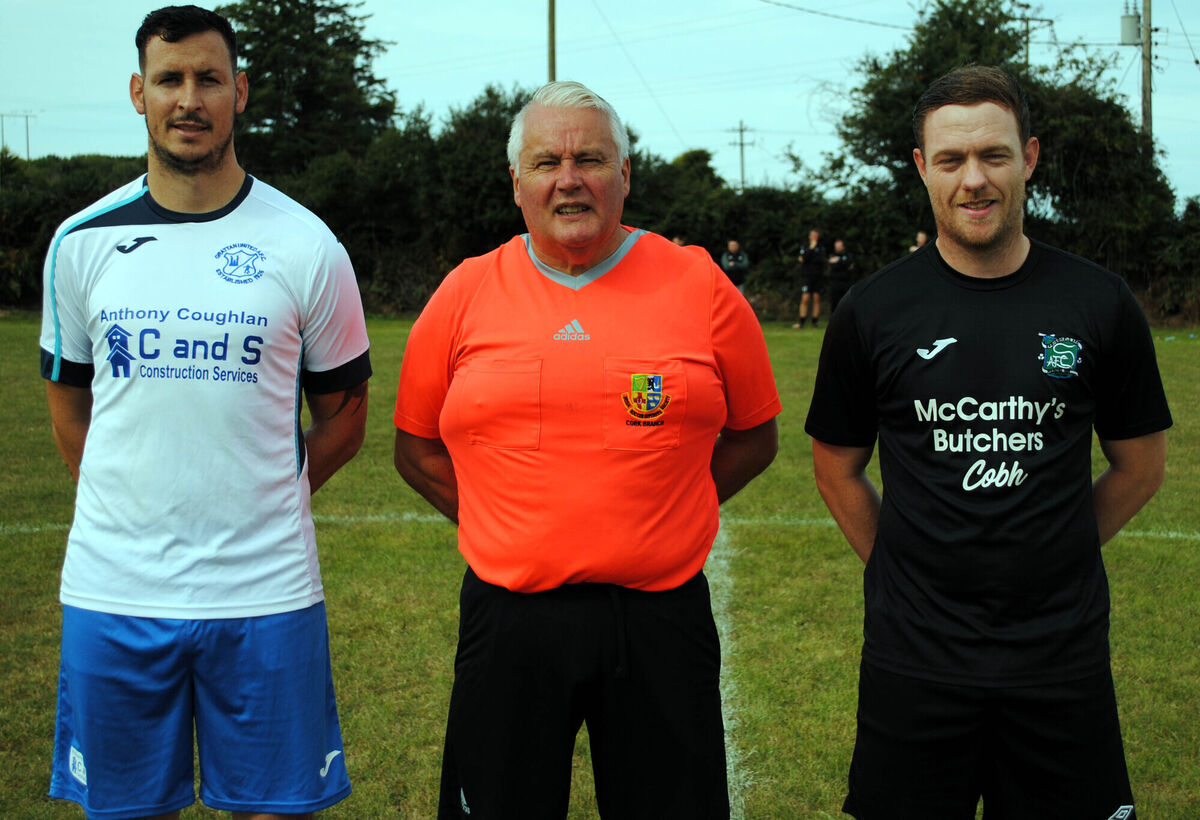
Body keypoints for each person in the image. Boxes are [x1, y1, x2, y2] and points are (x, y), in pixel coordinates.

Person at [393, 80, 780, 819]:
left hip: (659, 618)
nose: (569, 178)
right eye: (546, 162)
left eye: (591, 159)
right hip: (510, 619)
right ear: (517, 183)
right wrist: (500, 525)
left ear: (625, 175)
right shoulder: (466, 291)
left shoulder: (698, 281)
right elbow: (415, 449)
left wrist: (667, 510)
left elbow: (755, 433)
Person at [805, 65, 1170, 820]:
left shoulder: (1099, 302)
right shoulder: (872, 311)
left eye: (993, 155)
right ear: (921, 169)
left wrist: (1057, 549)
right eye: (951, 159)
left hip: (1059, 664)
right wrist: (906, 566)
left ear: (1028, 157)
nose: (974, 179)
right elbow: (837, 468)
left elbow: (1139, 467)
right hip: (915, 665)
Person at [40, 6, 371, 819]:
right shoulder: (80, 243)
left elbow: (346, 416)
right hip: (114, 591)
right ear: (138, 93)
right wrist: (127, 507)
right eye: (170, 79)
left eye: (209, 79)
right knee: (125, 810)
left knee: (271, 809)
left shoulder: (307, 244)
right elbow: (69, 404)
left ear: (240, 92)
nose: (190, 99)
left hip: (266, 594)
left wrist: (265, 501)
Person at [794, 228, 825, 327]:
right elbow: (804, 258)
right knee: (805, 298)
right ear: (809, 236)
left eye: (816, 235)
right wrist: (811, 249)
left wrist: (808, 257)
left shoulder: (821, 247)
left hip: (818, 276)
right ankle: (802, 321)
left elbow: (820, 260)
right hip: (807, 276)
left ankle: (815, 321)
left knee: (816, 298)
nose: (814, 237)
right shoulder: (805, 246)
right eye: (812, 235)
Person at [826, 237, 856, 314]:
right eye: (836, 246)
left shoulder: (848, 255)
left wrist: (838, 261)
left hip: (846, 282)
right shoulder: (832, 255)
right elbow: (833, 266)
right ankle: (833, 319)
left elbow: (850, 264)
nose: (837, 248)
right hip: (835, 283)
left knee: (847, 302)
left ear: (843, 246)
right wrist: (844, 264)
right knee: (834, 302)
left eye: (839, 246)